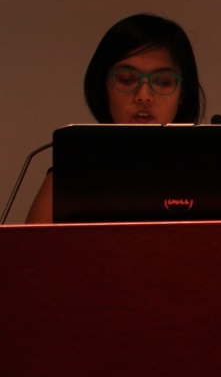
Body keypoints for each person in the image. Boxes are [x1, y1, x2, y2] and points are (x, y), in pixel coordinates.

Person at [24, 14, 205, 224]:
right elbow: (33, 244)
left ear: (182, 93)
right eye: (126, 80)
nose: (144, 96)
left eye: (163, 82)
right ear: (104, 87)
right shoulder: (74, 173)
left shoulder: (208, 171)